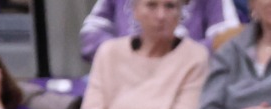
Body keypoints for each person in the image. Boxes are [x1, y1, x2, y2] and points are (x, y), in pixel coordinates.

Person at [55, 0, 212, 109]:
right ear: (135, 11)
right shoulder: (110, 52)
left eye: (170, 6)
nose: (161, 16)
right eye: (152, 6)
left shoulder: (195, 56)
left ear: (180, 14)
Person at [80, 0, 240, 60]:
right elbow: (92, 32)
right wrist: (127, 53)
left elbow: (229, 40)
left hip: (185, 79)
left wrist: (177, 55)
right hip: (125, 76)